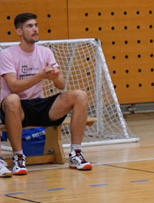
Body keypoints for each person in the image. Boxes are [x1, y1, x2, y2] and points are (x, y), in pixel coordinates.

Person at [0, 13, 92, 177]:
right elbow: (13, 86)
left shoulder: (45, 52)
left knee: (80, 95)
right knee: (12, 99)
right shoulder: (7, 54)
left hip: (40, 104)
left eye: (36, 25)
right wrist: (41, 76)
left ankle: (76, 153)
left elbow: (61, 85)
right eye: (30, 26)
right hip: (17, 108)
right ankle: (18, 157)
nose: (35, 29)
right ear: (19, 31)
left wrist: (55, 76)